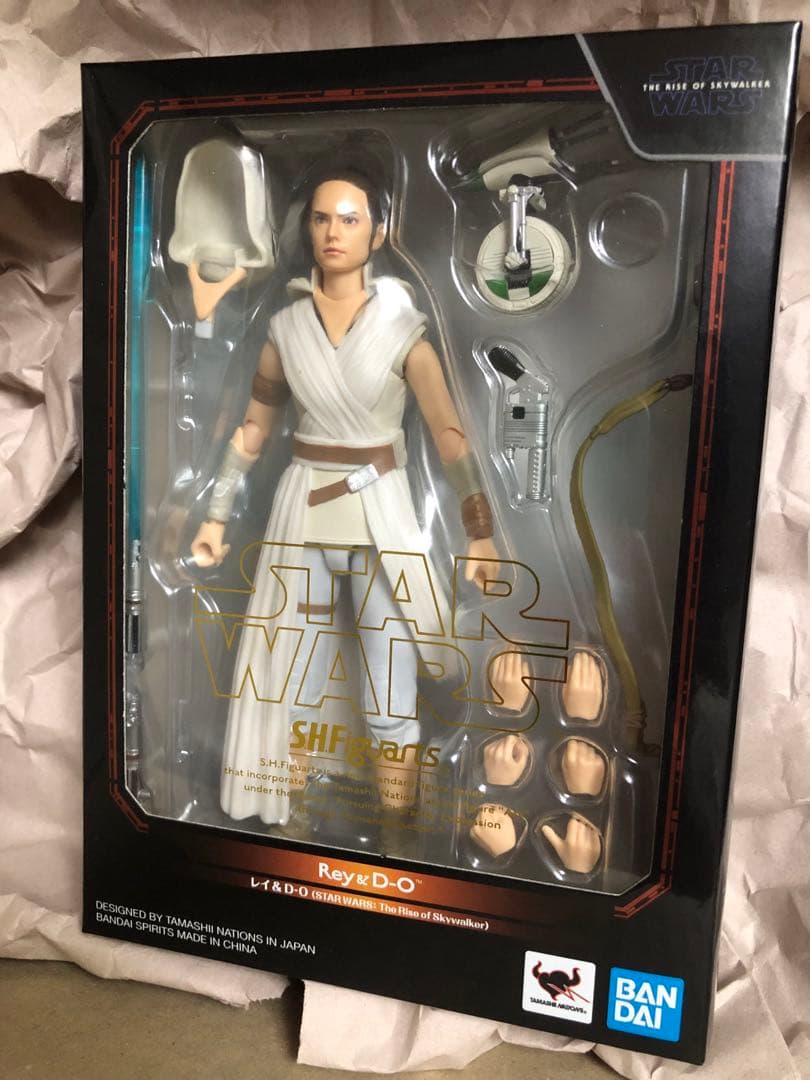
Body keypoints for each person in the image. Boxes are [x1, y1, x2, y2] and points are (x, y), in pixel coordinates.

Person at [191, 166, 498, 831]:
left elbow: (449, 435)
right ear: (308, 228)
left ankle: (398, 832)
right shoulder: (286, 330)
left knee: (389, 693)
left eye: (350, 219)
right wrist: (215, 514)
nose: (334, 232)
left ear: (377, 232)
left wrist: (480, 529)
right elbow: (253, 428)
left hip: (380, 518)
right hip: (301, 514)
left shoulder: (404, 330)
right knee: (290, 685)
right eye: (322, 218)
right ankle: (292, 824)